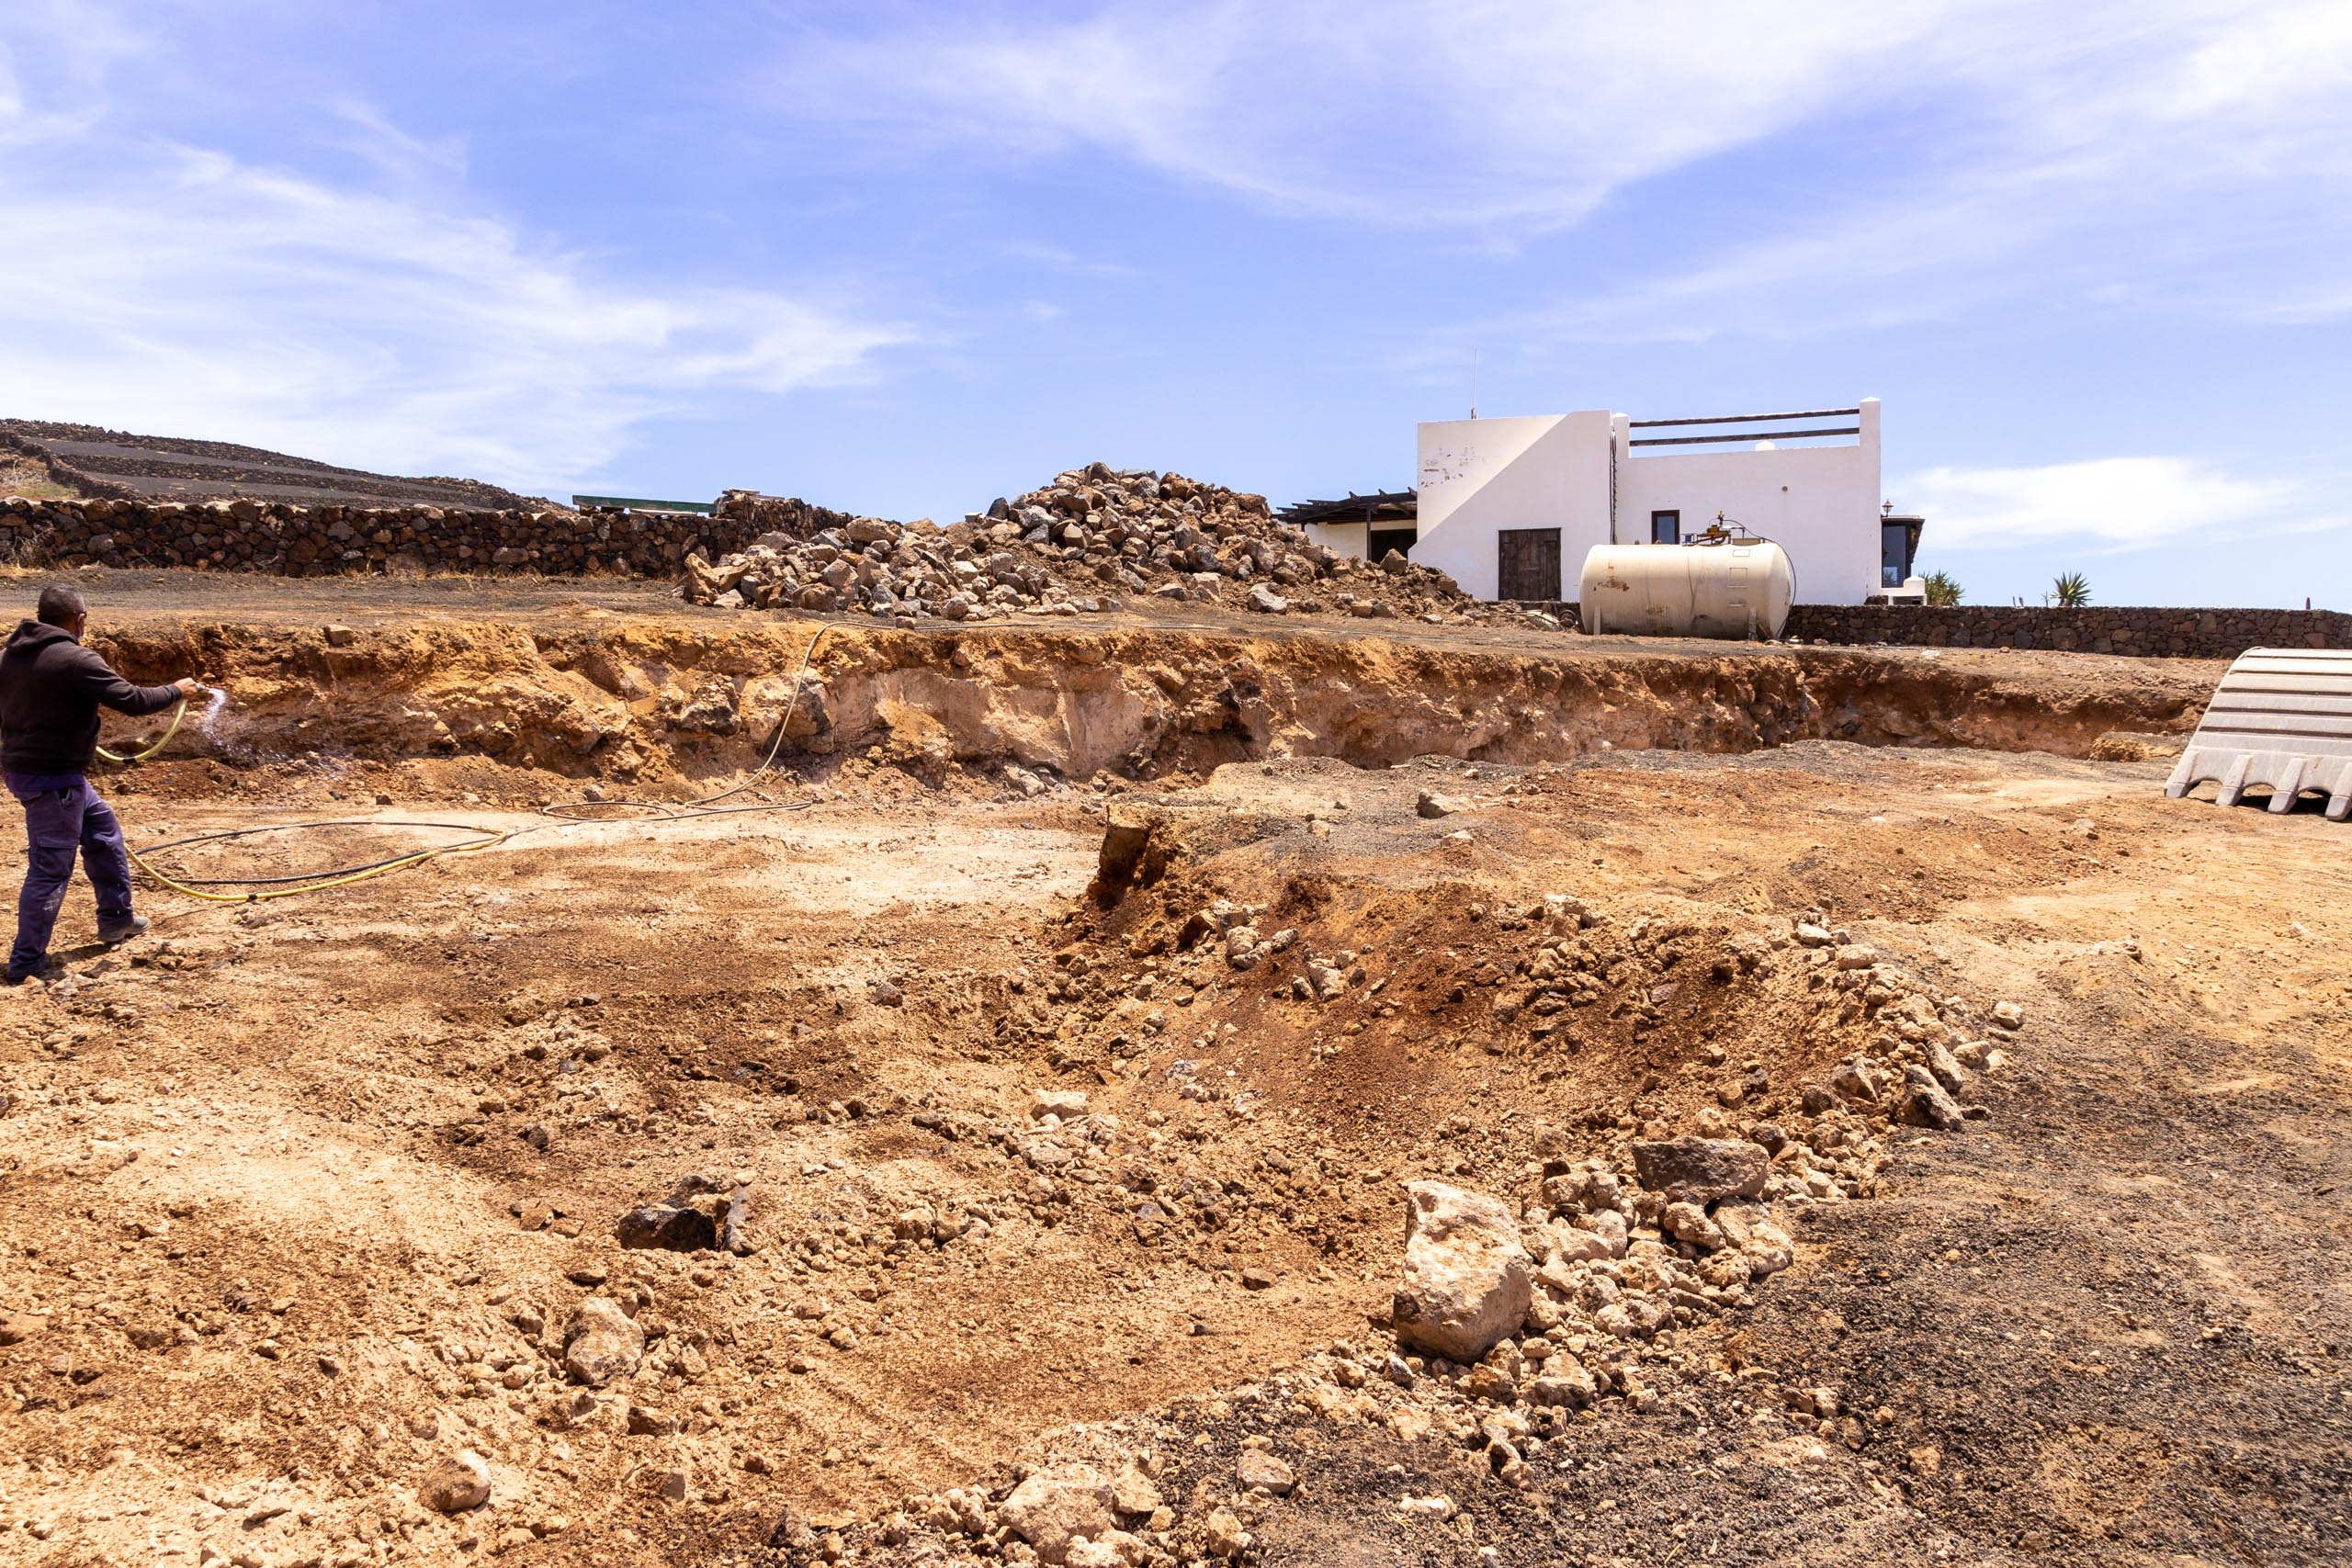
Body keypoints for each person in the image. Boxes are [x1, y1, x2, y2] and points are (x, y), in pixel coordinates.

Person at [0, 583, 199, 984]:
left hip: (39, 771)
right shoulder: (76, 659)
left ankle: (117, 919)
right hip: (53, 779)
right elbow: (133, 700)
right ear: (80, 619)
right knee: (50, 870)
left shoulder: (8, 657)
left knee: (104, 833)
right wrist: (177, 690)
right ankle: (25, 962)